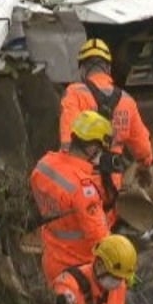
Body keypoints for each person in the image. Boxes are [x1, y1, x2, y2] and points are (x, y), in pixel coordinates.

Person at [59, 38, 153, 227]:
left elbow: (66, 143)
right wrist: (146, 165)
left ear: (83, 69)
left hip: (80, 186)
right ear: (108, 69)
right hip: (111, 187)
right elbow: (142, 147)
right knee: (103, 236)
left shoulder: (75, 93)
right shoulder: (127, 101)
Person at [32, 110, 113, 283]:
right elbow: (101, 239)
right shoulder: (83, 189)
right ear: (91, 147)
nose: (101, 154)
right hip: (78, 269)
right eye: (100, 149)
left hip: (51, 260)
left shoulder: (43, 165)